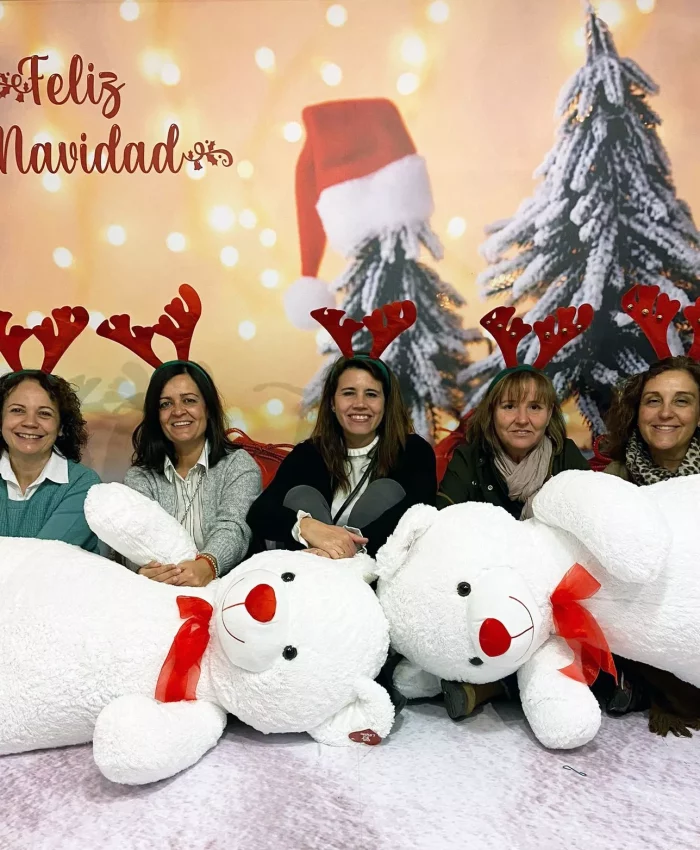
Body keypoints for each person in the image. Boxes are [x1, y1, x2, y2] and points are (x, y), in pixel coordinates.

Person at [436, 366, 590, 718]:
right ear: (491, 413)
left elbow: (586, 529)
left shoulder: (565, 456)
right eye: (509, 407)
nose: (522, 419)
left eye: (535, 408)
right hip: (489, 585)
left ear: (549, 414)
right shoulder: (470, 457)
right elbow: (444, 524)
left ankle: (491, 686)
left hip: (553, 590)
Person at [246, 355, 437, 559]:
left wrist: (347, 548)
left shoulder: (413, 450)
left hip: (375, 569)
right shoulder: (309, 453)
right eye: (349, 393)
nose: (360, 404)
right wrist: (306, 527)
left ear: (386, 403)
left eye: (371, 394)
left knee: (385, 492)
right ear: (332, 403)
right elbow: (261, 512)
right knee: (302, 495)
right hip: (313, 565)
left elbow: (419, 510)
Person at [601, 355, 700, 736]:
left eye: (682, 400)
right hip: (645, 624)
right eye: (653, 400)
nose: (665, 413)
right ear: (637, 411)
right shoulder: (616, 479)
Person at [124, 361, 262, 587]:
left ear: (207, 408)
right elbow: (131, 537)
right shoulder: (140, 476)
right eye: (165, 404)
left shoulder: (238, 466)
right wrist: (142, 570)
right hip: (157, 592)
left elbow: (234, 526)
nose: (178, 411)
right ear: (156, 415)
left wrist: (208, 564)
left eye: (189, 400)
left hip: (227, 591)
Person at [0, 370, 100, 552]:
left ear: (61, 427)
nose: (30, 422)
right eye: (17, 410)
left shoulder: (84, 485)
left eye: (44, 413)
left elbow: (42, 559)